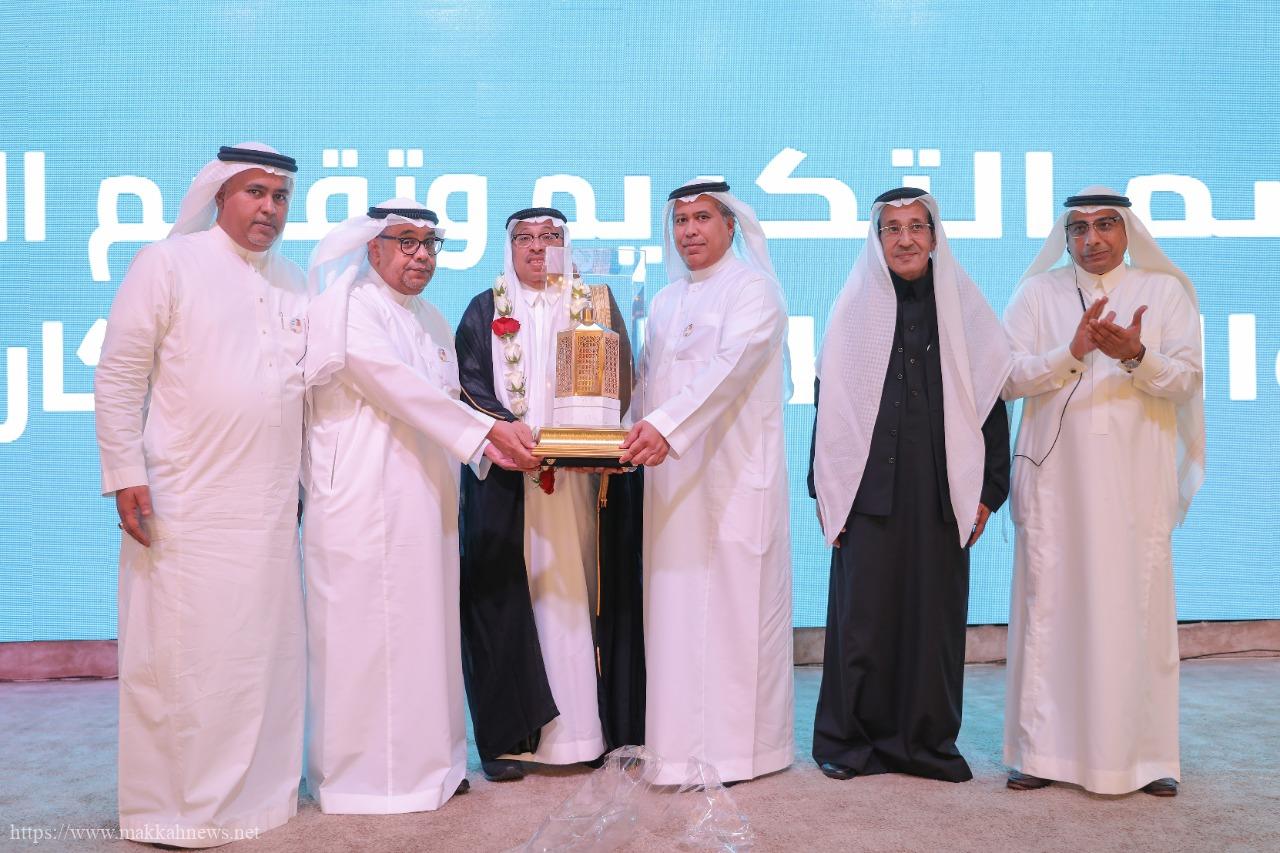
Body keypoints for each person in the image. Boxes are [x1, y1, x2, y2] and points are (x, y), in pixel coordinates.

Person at [95, 143, 308, 846]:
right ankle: (175, 809)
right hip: (185, 502)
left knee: (259, 656)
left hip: (268, 507)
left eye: (280, 196)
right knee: (184, 657)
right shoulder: (169, 263)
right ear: (220, 195)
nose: (269, 208)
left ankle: (258, 797)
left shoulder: (293, 281)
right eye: (255, 193)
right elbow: (120, 373)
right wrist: (124, 470)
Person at [300, 199, 536, 811]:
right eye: (406, 242)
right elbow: (398, 389)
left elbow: (448, 401)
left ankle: (431, 767)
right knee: (364, 638)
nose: (421, 256)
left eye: (430, 244)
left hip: (425, 500)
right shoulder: (348, 309)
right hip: (360, 498)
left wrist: (492, 447)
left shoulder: (430, 317)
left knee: (424, 633)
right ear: (372, 248)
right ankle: (363, 781)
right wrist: (485, 434)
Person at [1002, 187, 1205, 797]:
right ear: (1065, 238)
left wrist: (1137, 355)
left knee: (1136, 609)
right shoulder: (1036, 293)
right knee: (1051, 607)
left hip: (1134, 479)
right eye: (1079, 228)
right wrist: (1072, 352)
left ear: (1127, 231)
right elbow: (1006, 378)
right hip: (1055, 481)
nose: (1092, 239)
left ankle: (1145, 758)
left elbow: (1187, 380)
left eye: (1106, 225)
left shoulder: (1164, 292)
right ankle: (1041, 753)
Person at [809, 187, 1011, 783]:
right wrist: (824, 490)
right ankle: (849, 744)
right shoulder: (853, 310)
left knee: (934, 626)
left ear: (934, 235)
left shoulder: (964, 310)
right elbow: (829, 407)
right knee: (862, 624)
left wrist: (989, 491)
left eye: (916, 227)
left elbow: (991, 402)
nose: (905, 239)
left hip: (942, 490)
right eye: (892, 229)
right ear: (877, 240)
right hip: (865, 490)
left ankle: (927, 746)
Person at [455, 207, 645, 783]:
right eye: (525, 238)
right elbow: (469, 383)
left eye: (550, 237)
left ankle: (586, 734)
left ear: (567, 245)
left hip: (579, 484)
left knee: (576, 594)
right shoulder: (485, 308)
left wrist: (588, 441)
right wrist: (506, 432)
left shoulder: (595, 303)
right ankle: (514, 742)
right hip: (508, 477)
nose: (537, 248)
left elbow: (623, 380)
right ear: (509, 248)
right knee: (509, 602)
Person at [619, 179, 792, 786]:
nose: (689, 231)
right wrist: (617, 435)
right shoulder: (667, 300)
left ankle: (742, 753)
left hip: (733, 476)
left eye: (702, 218)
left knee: (734, 613)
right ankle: (675, 750)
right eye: (681, 220)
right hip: (670, 480)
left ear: (730, 225)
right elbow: (647, 384)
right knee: (675, 610)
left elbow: (730, 368)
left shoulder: (754, 291)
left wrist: (664, 427)